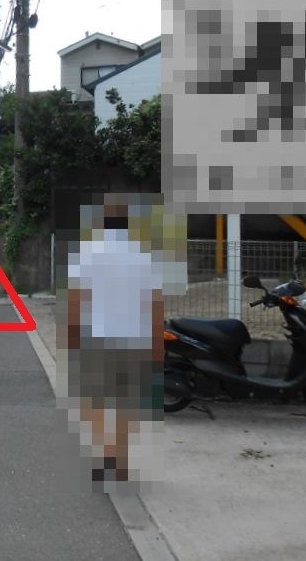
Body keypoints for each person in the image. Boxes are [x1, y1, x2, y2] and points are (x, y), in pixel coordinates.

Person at [59, 193, 186, 492]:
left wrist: (71, 336)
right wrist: (157, 343)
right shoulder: (143, 257)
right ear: (128, 225)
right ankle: (120, 460)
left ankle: (106, 455)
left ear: (101, 224)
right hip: (134, 339)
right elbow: (155, 304)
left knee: (95, 402)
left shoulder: (87, 254)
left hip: (97, 339)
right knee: (127, 404)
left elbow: (76, 300)